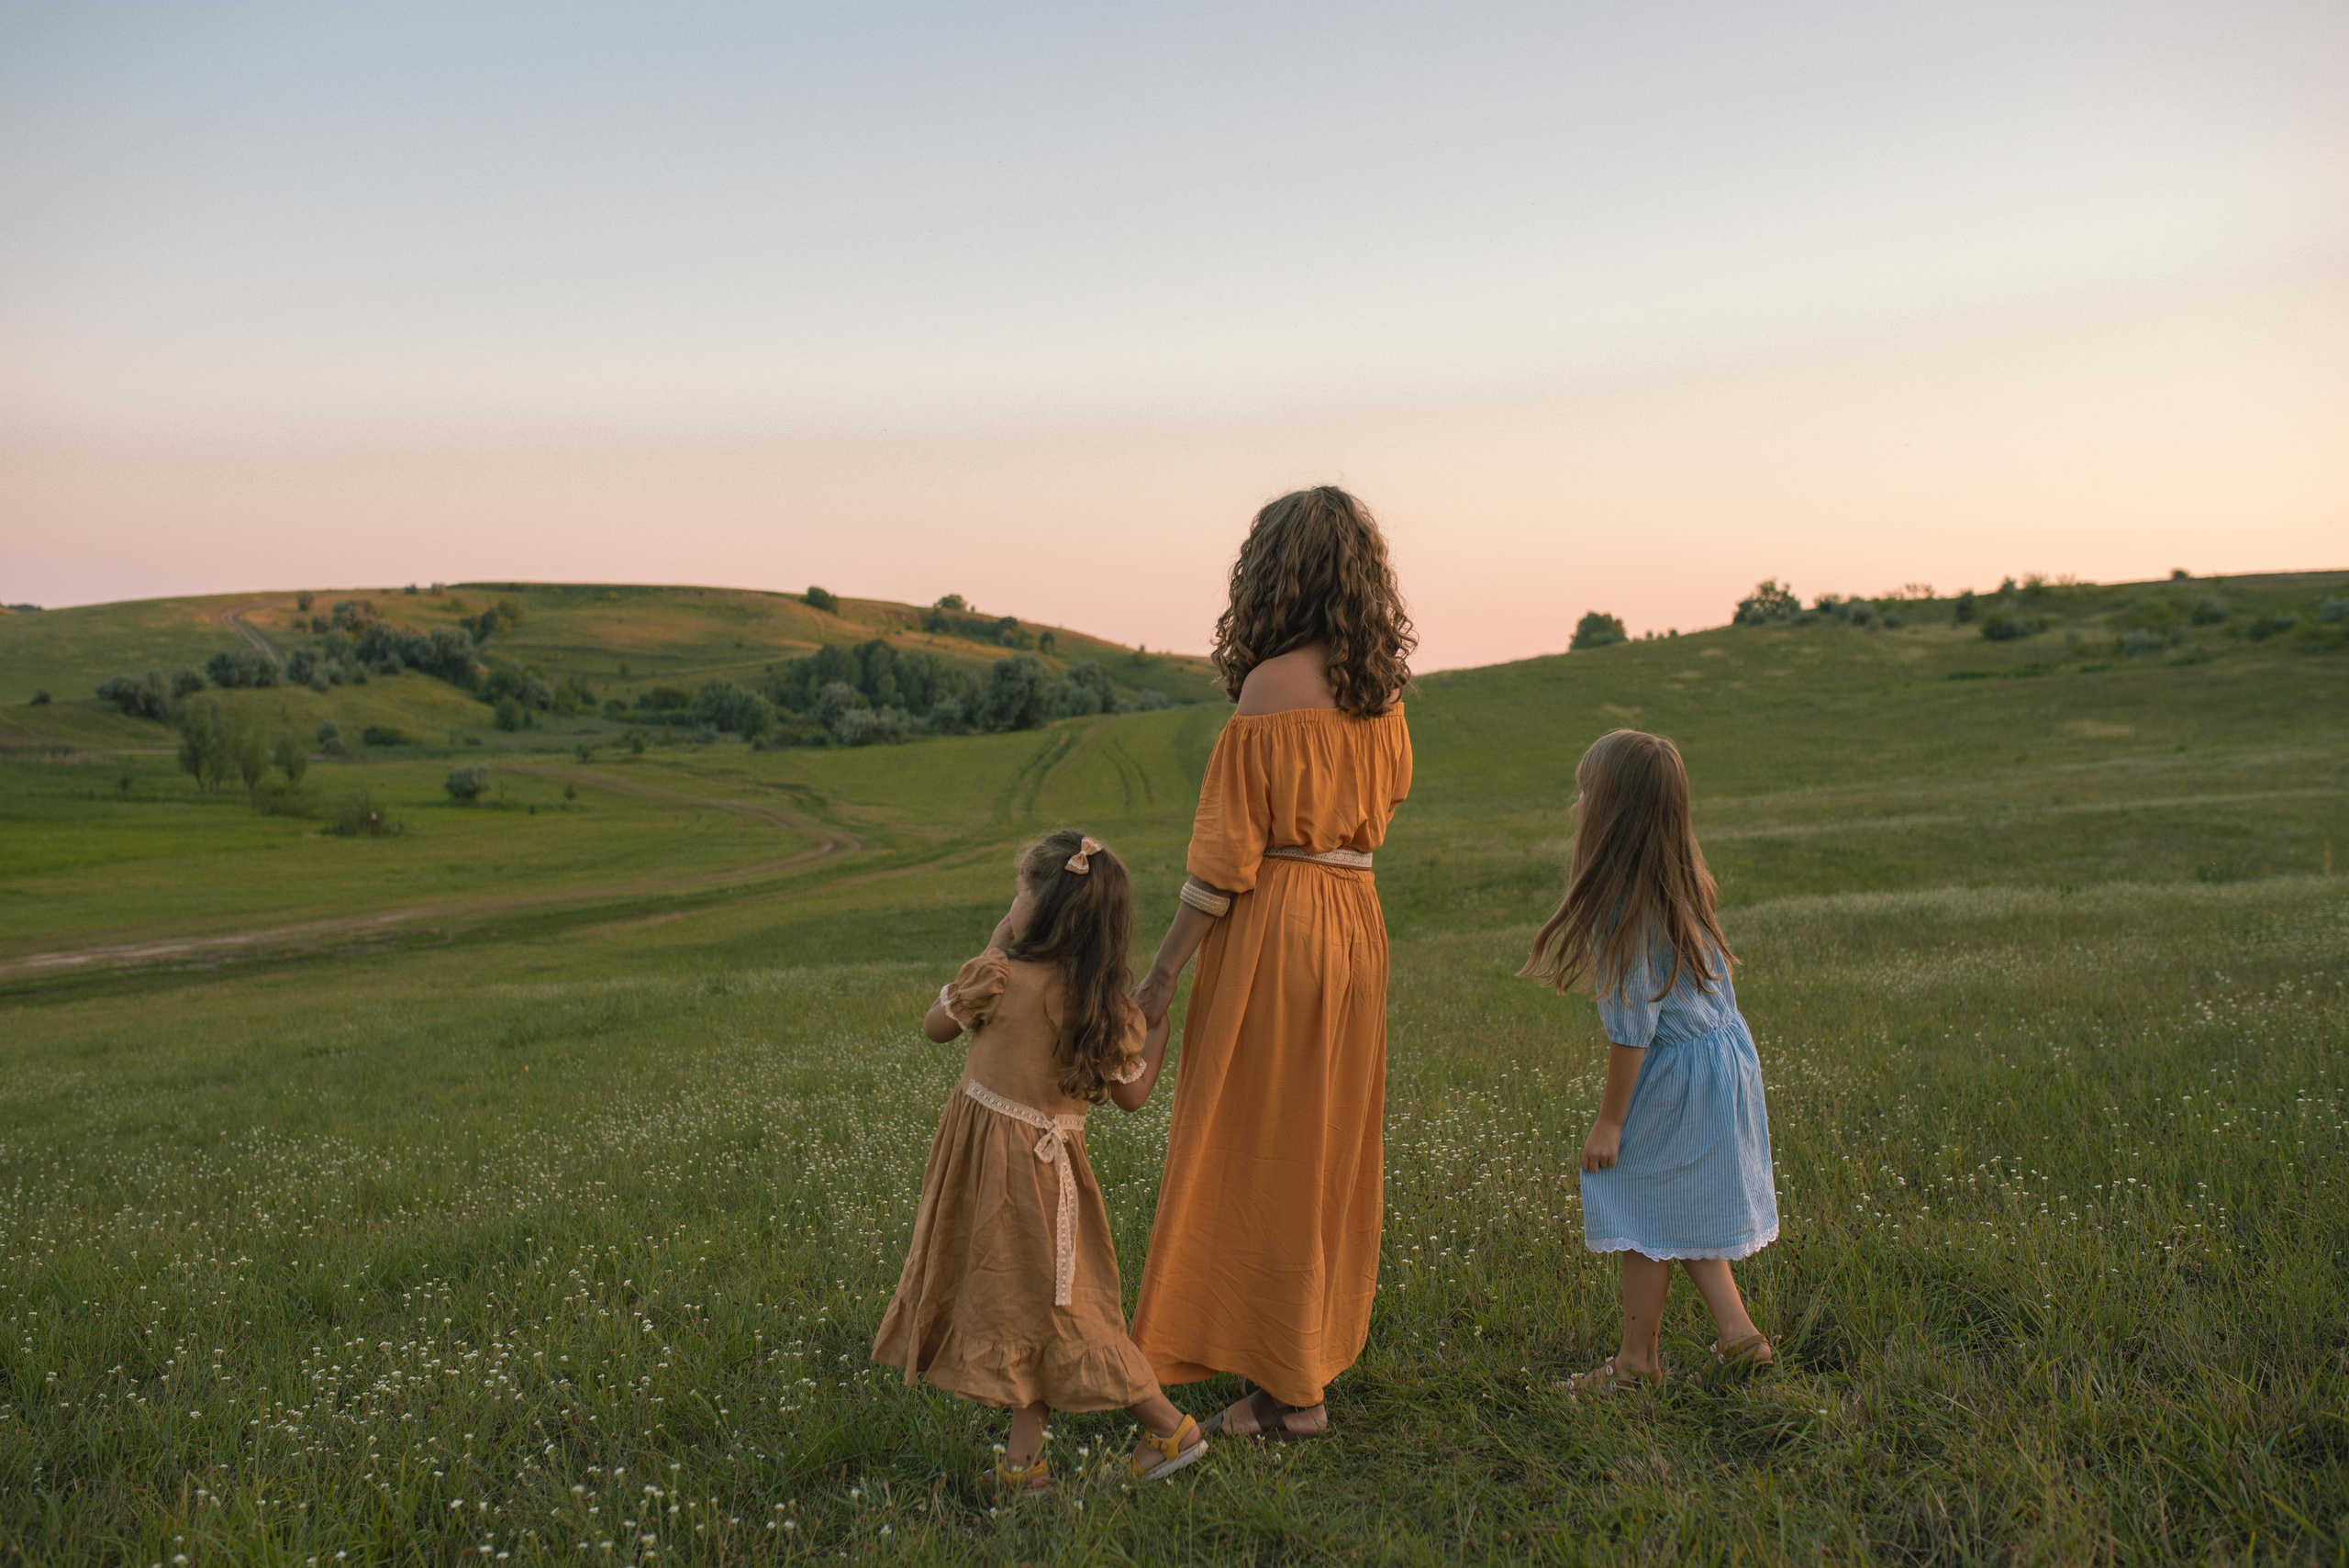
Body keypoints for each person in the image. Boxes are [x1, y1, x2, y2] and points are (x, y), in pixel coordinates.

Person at [1128, 486, 1415, 1439]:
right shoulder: (1383, 696)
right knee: (1321, 1148)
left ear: (1271, 572)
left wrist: (1161, 976)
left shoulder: (1267, 690)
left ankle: (1296, 1394)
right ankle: (1287, 1369)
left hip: (1277, 926)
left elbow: (1221, 863)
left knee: (1254, 1150)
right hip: (1356, 926)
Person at [871, 829, 1206, 1495]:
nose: (1012, 899)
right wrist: (1157, 1029)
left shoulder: (996, 976)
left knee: (1072, 1319)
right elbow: (1134, 1095)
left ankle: (1171, 1427)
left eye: (1019, 890)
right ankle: (1024, 1467)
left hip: (1002, 1183)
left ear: (1042, 910)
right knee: (1037, 1315)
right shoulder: (1101, 1008)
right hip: (1050, 1185)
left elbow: (935, 1026)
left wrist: (995, 941)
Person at [1520, 728, 1779, 1393]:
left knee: (1636, 1203)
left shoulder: (1626, 912)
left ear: (1610, 815)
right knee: (1677, 1201)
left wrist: (1610, 1122)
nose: (1578, 808)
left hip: (1677, 1072)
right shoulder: (1681, 882)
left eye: (1586, 795)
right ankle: (1738, 1334)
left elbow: (1633, 1031)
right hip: (1721, 1060)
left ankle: (1637, 1363)